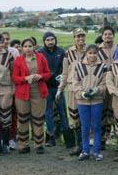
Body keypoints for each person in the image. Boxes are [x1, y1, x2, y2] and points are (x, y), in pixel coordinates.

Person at [12, 37, 51, 154]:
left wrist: (41, 76)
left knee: (38, 119)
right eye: (25, 46)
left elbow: (48, 74)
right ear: (22, 48)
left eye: (30, 46)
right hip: (22, 93)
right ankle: (23, 144)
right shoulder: (18, 60)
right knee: (23, 119)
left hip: (38, 92)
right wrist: (25, 78)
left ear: (34, 47)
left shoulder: (41, 57)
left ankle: (39, 144)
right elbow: (14, 78)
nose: (27, 49)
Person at [72, 44, 108, 161]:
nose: (92, 55)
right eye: (90, 53)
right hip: (82, 101)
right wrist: (82, 93)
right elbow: (75, 83)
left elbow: (104, 83)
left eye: (94, 53)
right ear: (86, 53)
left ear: (97, 54)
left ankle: (96, 151)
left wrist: (97, 90)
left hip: (97, 100)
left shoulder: (102, 66)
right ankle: (85, 150)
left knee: (97, 126)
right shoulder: (79, 66)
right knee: (85, 127)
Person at [57, 28, 87, 156]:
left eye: (82, 36)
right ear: (74, 38)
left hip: (85, 88)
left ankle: (86, 146)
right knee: (74, 116)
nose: (80, 39)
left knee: (85, 116)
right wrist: (60, 89)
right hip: (71, 87)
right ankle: (78, 145)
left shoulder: (91, 51)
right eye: (77, 36)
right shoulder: (68, 52)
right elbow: (65, 72)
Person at [39, 31, 69, 147]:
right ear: (44, 41)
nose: (50, 42)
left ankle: (67, 137)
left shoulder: (61, 52)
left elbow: (65, 69)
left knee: (62, 112)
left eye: (52, 39)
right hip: (45, 88)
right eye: (47, 40)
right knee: (48, 114)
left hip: (59, 88)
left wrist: (62, 82)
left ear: (55, 40)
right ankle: (50, 137)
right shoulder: (40, 53)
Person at [98, 26, 117, 149]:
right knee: (102, 112)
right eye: (105, 34)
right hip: (103, 83)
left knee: (114, 111)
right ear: (102, 36)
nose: (107, 36)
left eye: (110, 34)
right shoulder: (97, 49)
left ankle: (115, 138)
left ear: (113, 36)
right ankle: (102, 139)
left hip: (116, 83)